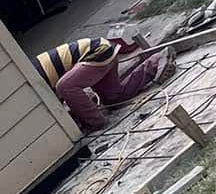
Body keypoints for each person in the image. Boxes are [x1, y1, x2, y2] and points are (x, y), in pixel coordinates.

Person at [32, 34, 175, 132]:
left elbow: (64, 97)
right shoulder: (29, 81)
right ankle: (157, 60)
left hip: (97, 52)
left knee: (65, 86)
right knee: (114, 98)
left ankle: (98, 122)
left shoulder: (30, 84)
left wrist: (86, 118)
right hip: (103, 51)